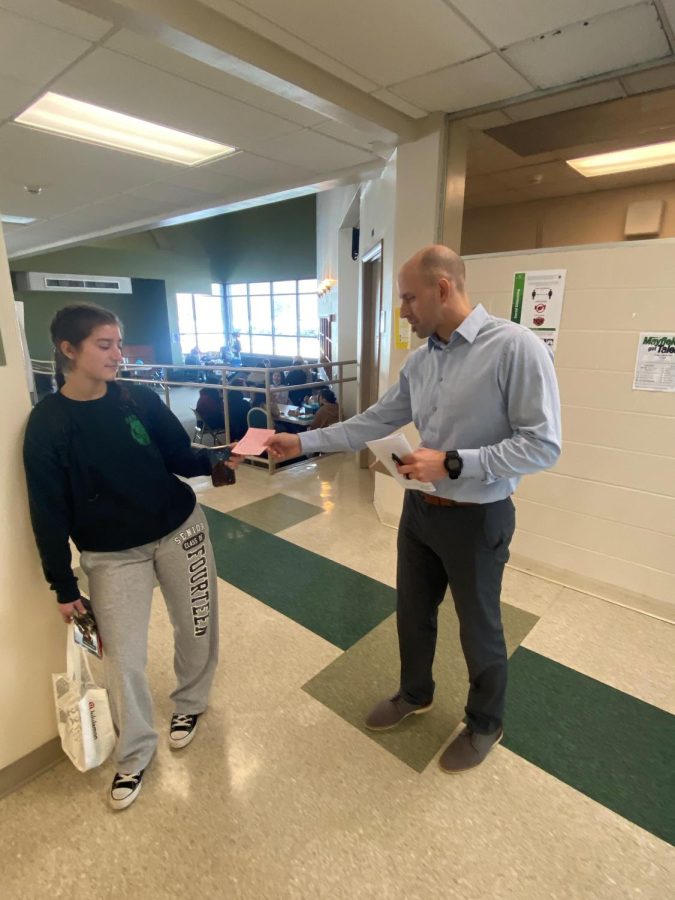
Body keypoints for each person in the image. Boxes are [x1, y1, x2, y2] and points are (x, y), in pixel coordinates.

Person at [264, 245, 561, 774]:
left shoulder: (515, 348)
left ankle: (486, 721)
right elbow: (375, 420)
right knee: (411, 613)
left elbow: (542, 445)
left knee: (479, 626)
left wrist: (451, 462)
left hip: (478, 517)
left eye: (407, 298)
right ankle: (414, 693)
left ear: (443, 289)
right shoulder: (422, 361)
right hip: (420, 513)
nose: (402, 311)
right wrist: (304, 443)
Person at [23, 304, 234, 810]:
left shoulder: (136, 398)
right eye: (105, 345)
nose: (119, 354)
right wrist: (63, 585)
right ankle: (135, 751)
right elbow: (47, 510)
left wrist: (223, 460)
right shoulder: (48, 424)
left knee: (197, 623)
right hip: (111, 555)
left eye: (119, 343)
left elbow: (178, 455)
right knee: (124, 659)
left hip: (179, 530)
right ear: (68, 350)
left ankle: (190, 703)